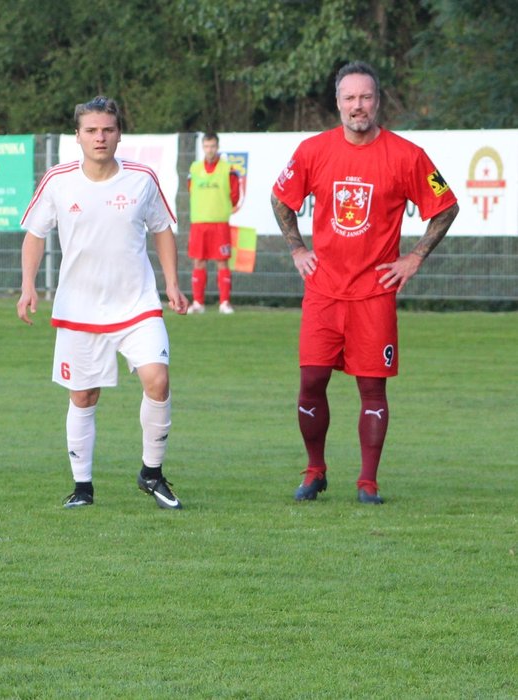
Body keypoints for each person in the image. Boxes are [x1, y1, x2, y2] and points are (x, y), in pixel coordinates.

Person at [270, 61, 459, 504]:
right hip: (323, 291)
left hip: (374, 295)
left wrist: (414, 257)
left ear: (378, 100)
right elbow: (281, 199)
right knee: (311, 382)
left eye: (366, 97)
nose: (359, 106)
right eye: (350, 98)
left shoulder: (407, 155)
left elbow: (445, 205)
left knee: (372, 387)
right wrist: (298, 248)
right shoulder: (313, 150)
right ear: (337, 103)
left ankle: (367, 482)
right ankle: (315, 470)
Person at [17, 95, 189, 511]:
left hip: (137, 304)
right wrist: (28, 286)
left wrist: (172, 283)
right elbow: (36, 234)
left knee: (158, 379)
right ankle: (83, 487)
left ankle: (151, 473)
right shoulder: (58, 180)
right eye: (91, 130)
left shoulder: (141, 179)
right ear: (77, 136)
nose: (100, 137)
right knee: (83, 397)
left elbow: (162, 229)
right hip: (79, 309)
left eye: (107, 130)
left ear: (118, 134)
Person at [186, 131, 240, 314]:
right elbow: (190, 190)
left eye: (212, 146)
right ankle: (198, 303)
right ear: (202, 147)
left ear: (217, 147)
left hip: (219, 223)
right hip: (199, 223)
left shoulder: (228, 169)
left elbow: (235, 195)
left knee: (222, 262)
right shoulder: (194, 168)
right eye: (206, 146)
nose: (209, 150)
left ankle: (224, 303)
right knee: (198, 262)